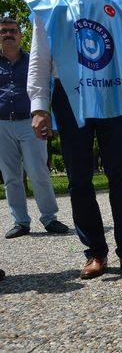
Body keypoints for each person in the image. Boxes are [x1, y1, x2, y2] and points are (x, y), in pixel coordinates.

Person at [27, 0, 122, 279]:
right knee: (79, 181)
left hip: (111, 94)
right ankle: (95, 252)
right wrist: (39, 107)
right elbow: (40, 60)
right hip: (69, 99)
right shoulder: (48, 7)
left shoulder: (114, 3)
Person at [0, 18, 69, 239]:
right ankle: (20, 221)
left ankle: (49, 218)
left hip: (30, 123)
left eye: (13, 31)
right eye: (3, 31)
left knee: (38, 171)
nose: (8, 34)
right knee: (11, 176)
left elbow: (46, 89)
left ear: (21, 35)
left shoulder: (34, 62)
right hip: (2, 125)